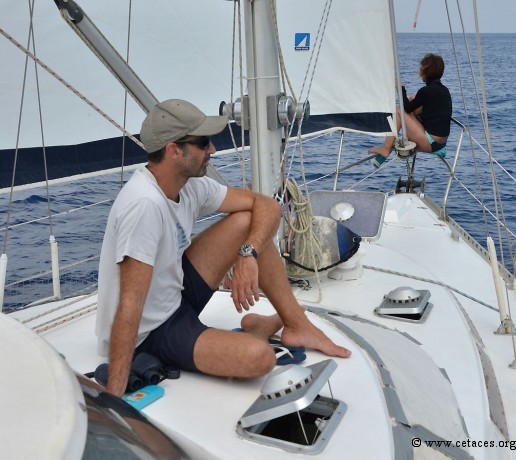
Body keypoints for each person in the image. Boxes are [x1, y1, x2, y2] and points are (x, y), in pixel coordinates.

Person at [95, 99, 351, 397]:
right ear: (174, 150)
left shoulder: (187, 185)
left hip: (175, 293)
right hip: (151, 332)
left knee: (249, 223)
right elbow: (130, 305)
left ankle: (296, 325)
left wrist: (247, 254)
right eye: (203, 143)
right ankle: (257, 332)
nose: (213, 150)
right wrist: (115, 398)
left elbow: (267, 206)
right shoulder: (144, 206)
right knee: (260, 359)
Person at [369, 53, 453, 168]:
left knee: (398, 110)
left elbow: (406, 109)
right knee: (413, 99)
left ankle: (385, 148)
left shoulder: (426, 91)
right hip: (441, 143)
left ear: (426, 72)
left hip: (431, 143)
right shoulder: (444, 90)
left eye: (421, 69)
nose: (420, 72)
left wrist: (401, 88)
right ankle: (387, 148)